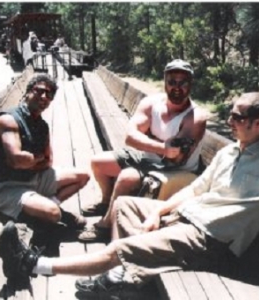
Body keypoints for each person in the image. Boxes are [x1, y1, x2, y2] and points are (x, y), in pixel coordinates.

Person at [0, 91, 259, 296]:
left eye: (236, 116)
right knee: (124, 204)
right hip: (185, 217)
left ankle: (33, 264)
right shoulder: (231, 151)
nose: (229, 120)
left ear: (258, 123)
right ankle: (131, 279)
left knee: (123, 247)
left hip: (210, 238)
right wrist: (157, 212)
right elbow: (198, 188)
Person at [78, 59, 209, 243]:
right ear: (164, 81)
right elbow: (130, 137)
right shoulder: (151, 103)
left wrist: (149, 139)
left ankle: (106, 225)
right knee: (98, 163)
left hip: (177, 170)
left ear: (191, 85)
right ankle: (106, 202)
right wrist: (163, 146)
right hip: (150, 158)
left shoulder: (195, 117)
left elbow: (176, 157)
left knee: (127, 177)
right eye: (172, 81)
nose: (177, 87)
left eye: (183, 82)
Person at [0, 74, 90, 254]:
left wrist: (31, 161)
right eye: (39, 91)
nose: (44, 97)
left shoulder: (42, 126)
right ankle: (47, 217)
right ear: (27, 93)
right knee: (54, 214)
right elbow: (16, 160)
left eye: (48, 95)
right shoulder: (9, 120)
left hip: (35, 178)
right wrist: (37, 159)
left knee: (83, 177)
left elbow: (48, 161)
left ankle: (47, 204)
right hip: (7, 187)